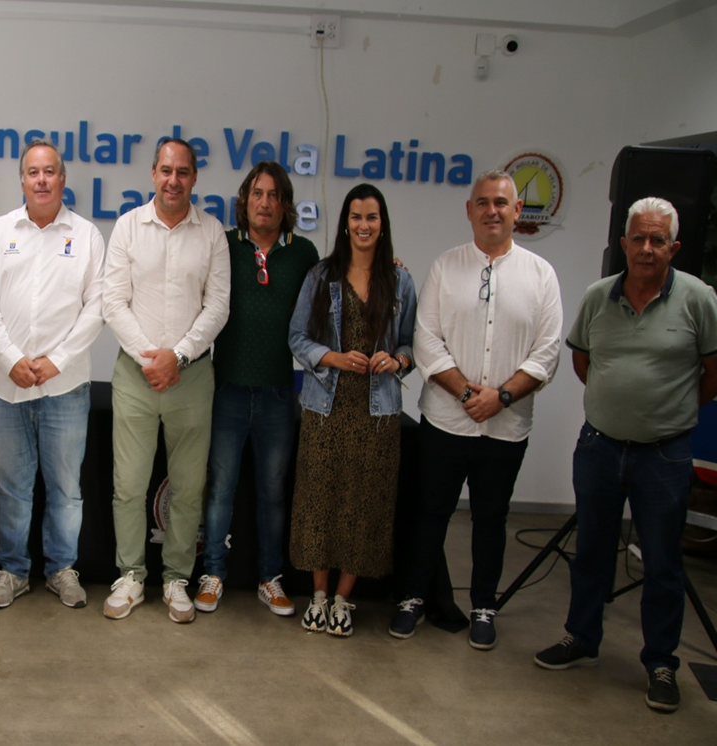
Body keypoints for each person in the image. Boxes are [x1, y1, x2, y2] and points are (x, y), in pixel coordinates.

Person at [535, 197, 717, 713]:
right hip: (599, 446)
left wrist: (668, 412)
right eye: (638, 238)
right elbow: (582, 360)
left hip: (664, 454)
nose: (646, 248)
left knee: (662, 563)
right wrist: (618, 406)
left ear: (674, 247)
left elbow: (712, 373)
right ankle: (581, 637)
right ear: (624, 242)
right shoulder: (597, 296)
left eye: (658, 239)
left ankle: (661, 662)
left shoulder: (699, 300)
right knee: (591, 551)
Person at [392, 170, 563, 648]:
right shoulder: (446, 267)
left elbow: (546, 352)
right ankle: (413, 599)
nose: (492, 210)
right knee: (431, 515)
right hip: (446, 422)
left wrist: (501, 396)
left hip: (506, 428)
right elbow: (426, 341)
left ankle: (484, 606)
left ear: (516, 212)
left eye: (502, 203)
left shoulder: (541, 275)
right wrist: (469, 393)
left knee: (491, 519)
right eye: (483, 202)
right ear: (469, 210)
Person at [0, 139, 106, 610]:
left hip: (65, 386)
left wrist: (56, 360)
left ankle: (61, 569)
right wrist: (10, 358)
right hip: (5, 384)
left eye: (50, 171)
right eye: (33, 172)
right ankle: (12, 570)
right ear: (22, 180)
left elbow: (97, 308)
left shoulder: (87, 236)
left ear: (63, 179)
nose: (42, 180)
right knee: (12, 485)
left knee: (66, 487)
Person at [103, 138, 231, 624]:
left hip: (193, 378)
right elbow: (113, 301)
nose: (173, 180)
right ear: (152, 174)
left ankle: (177, 578)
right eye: (165, 170)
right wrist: (150, 359)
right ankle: (132, 576)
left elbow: (217, 306)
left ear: (194, 178)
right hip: (135, 376)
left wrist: (177, 356)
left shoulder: (212, 233)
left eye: (183, 172)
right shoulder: (128, 228)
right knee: (129, 486)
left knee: (188, 486)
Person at [288, 184, 417, 637]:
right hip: (326, 409)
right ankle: (318, 596)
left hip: (376, 414)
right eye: (357, 217)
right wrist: (335, 358)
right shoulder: (322, 276)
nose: (364, 225)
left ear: (383, 225)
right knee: (318, 501)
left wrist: (396, 360)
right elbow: (297, 338)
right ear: (346, 222)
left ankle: (344, 598)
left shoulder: (399, 281)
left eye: (373, 218)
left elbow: (411, 346)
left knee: (363, 505)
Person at [195, 161, 318, 618]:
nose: (264, 203)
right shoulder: (223, 245)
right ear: (244, 201)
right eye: (257, 194)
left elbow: (338, 283)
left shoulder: (303, 253)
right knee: (221, 488)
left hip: (277, 395)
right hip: (225, 389)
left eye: (273, 195)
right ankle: (213, 574)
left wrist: (391, 262)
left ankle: (271, 578)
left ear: (284, 205)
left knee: (272, 491)